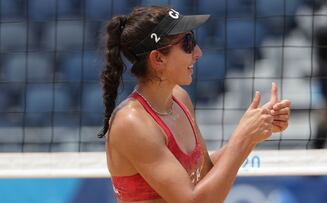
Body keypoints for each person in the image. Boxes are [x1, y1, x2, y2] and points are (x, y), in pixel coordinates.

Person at [98, 6, 291, 203]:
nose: (198, 52)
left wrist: (253, 132)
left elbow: (204, 173)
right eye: (187, 44)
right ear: (158, 58)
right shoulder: (131, 122)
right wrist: (243, 137)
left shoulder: (179, 98)